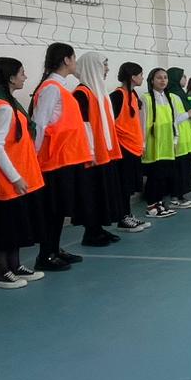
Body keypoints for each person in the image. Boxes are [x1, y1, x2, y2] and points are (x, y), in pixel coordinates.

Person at [0, 57, 46, 291]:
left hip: (17, 175)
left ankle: (15, 266)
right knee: (4, 227)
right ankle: (1, 272)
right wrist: (15, 177)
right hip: (6, 179)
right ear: (10, 77)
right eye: (21, 73)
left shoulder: (9, 103)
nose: (25, 77)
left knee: (15, 225)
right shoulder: (2, 107)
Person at [30, 42, 92, 271]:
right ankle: (45, 254)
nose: (75, 63)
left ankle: (54, 249)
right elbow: (39, 124)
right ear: (66, 59)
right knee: (52, 210)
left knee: (60, 209)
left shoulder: (61, 87)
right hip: (54, 160)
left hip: (67, 158)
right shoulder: (51, 88)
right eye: (74, 58)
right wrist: (34, 157)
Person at [73, 52, 129, 247]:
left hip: (105, 152)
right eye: (104, 65)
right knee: (92, 193)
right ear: (93, 66)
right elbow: (84, 126)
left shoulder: (100, 91)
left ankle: (98, 228)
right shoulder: (81, 93)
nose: (107, 69)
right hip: (92, 155)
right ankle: (90, 232)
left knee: (102, 193)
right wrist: (90, 152)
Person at [109, 61, 153, 232]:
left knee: (129, 186)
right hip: (123, 148)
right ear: (133, 77)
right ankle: (122, 218)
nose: (142, 78)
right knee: (123, 186)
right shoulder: (117, 96)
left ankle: (127, 214)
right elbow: (110, 122)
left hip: (134, 147)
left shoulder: (133, 95)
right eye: (140, 75)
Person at [139, 68, 179, 219]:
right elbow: (142, 122)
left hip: (167, 143)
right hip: (153, 143)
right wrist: (142, 144)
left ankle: (160, 203)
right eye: (159, 78)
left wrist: (175, 139)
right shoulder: (146, 98)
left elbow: (174, 120)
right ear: (152, 80)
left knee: (164, 175)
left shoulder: (170, 98)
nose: (163, 80)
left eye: (165, 77)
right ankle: (151, 206)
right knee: (154, 175)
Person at [163, 67, 191, 207]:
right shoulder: (172, 95)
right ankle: (175, 198)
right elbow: (173, 119)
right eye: (183, 76)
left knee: (184, 169)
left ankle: (180, 196)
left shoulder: (180, 94)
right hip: (177, 138)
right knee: (178, 171)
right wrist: (188, 114)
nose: (185, 79)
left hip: (185, 138)